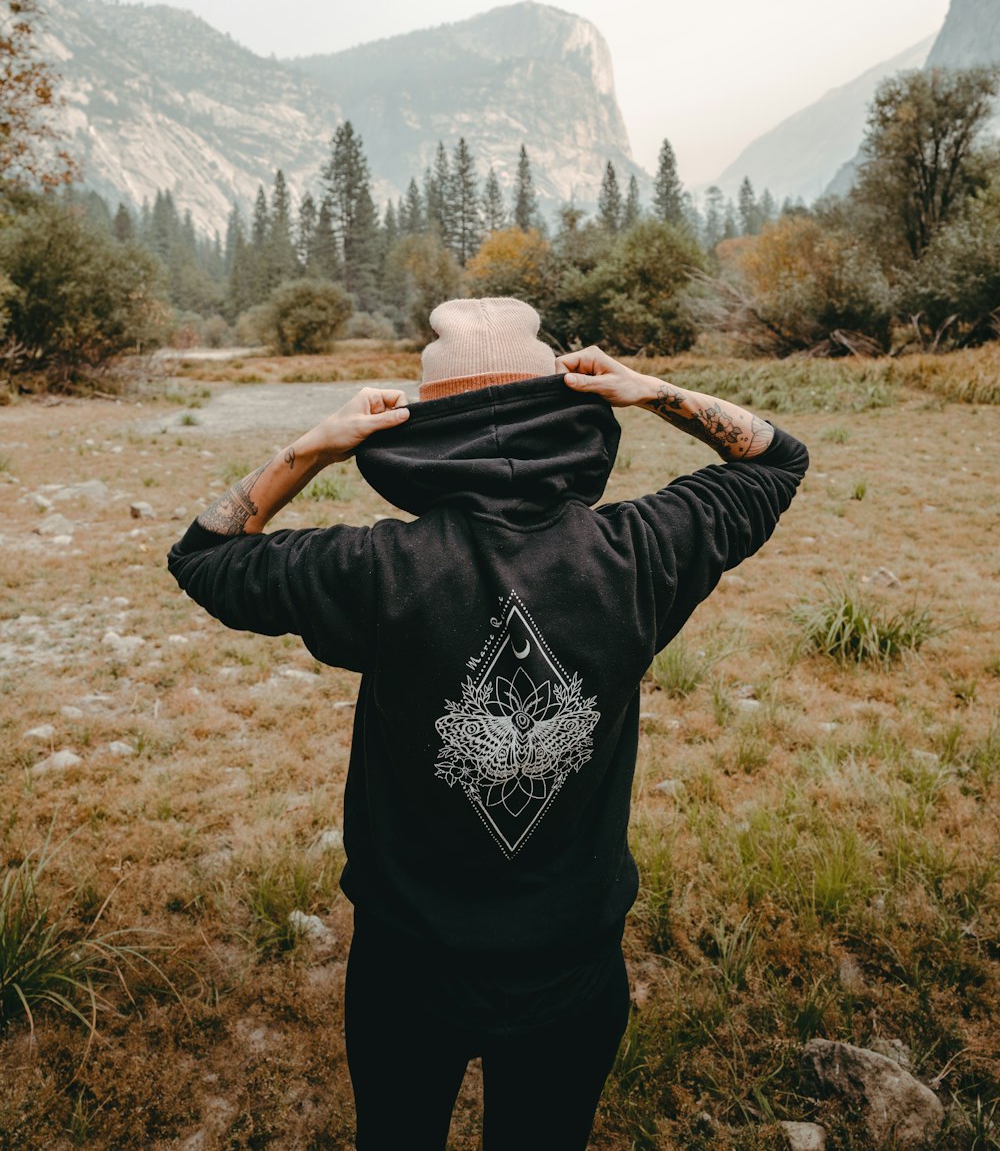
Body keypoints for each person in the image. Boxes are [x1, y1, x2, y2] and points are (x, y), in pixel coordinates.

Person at [167, 296, 809, 1151]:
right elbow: (775, 460)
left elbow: (206, 553)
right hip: (575, 961)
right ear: (573, 412)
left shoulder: (373, 570)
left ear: (415, 434)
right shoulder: (641, 553)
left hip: (405, 966)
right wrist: (648, 389)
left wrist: (314, 448)